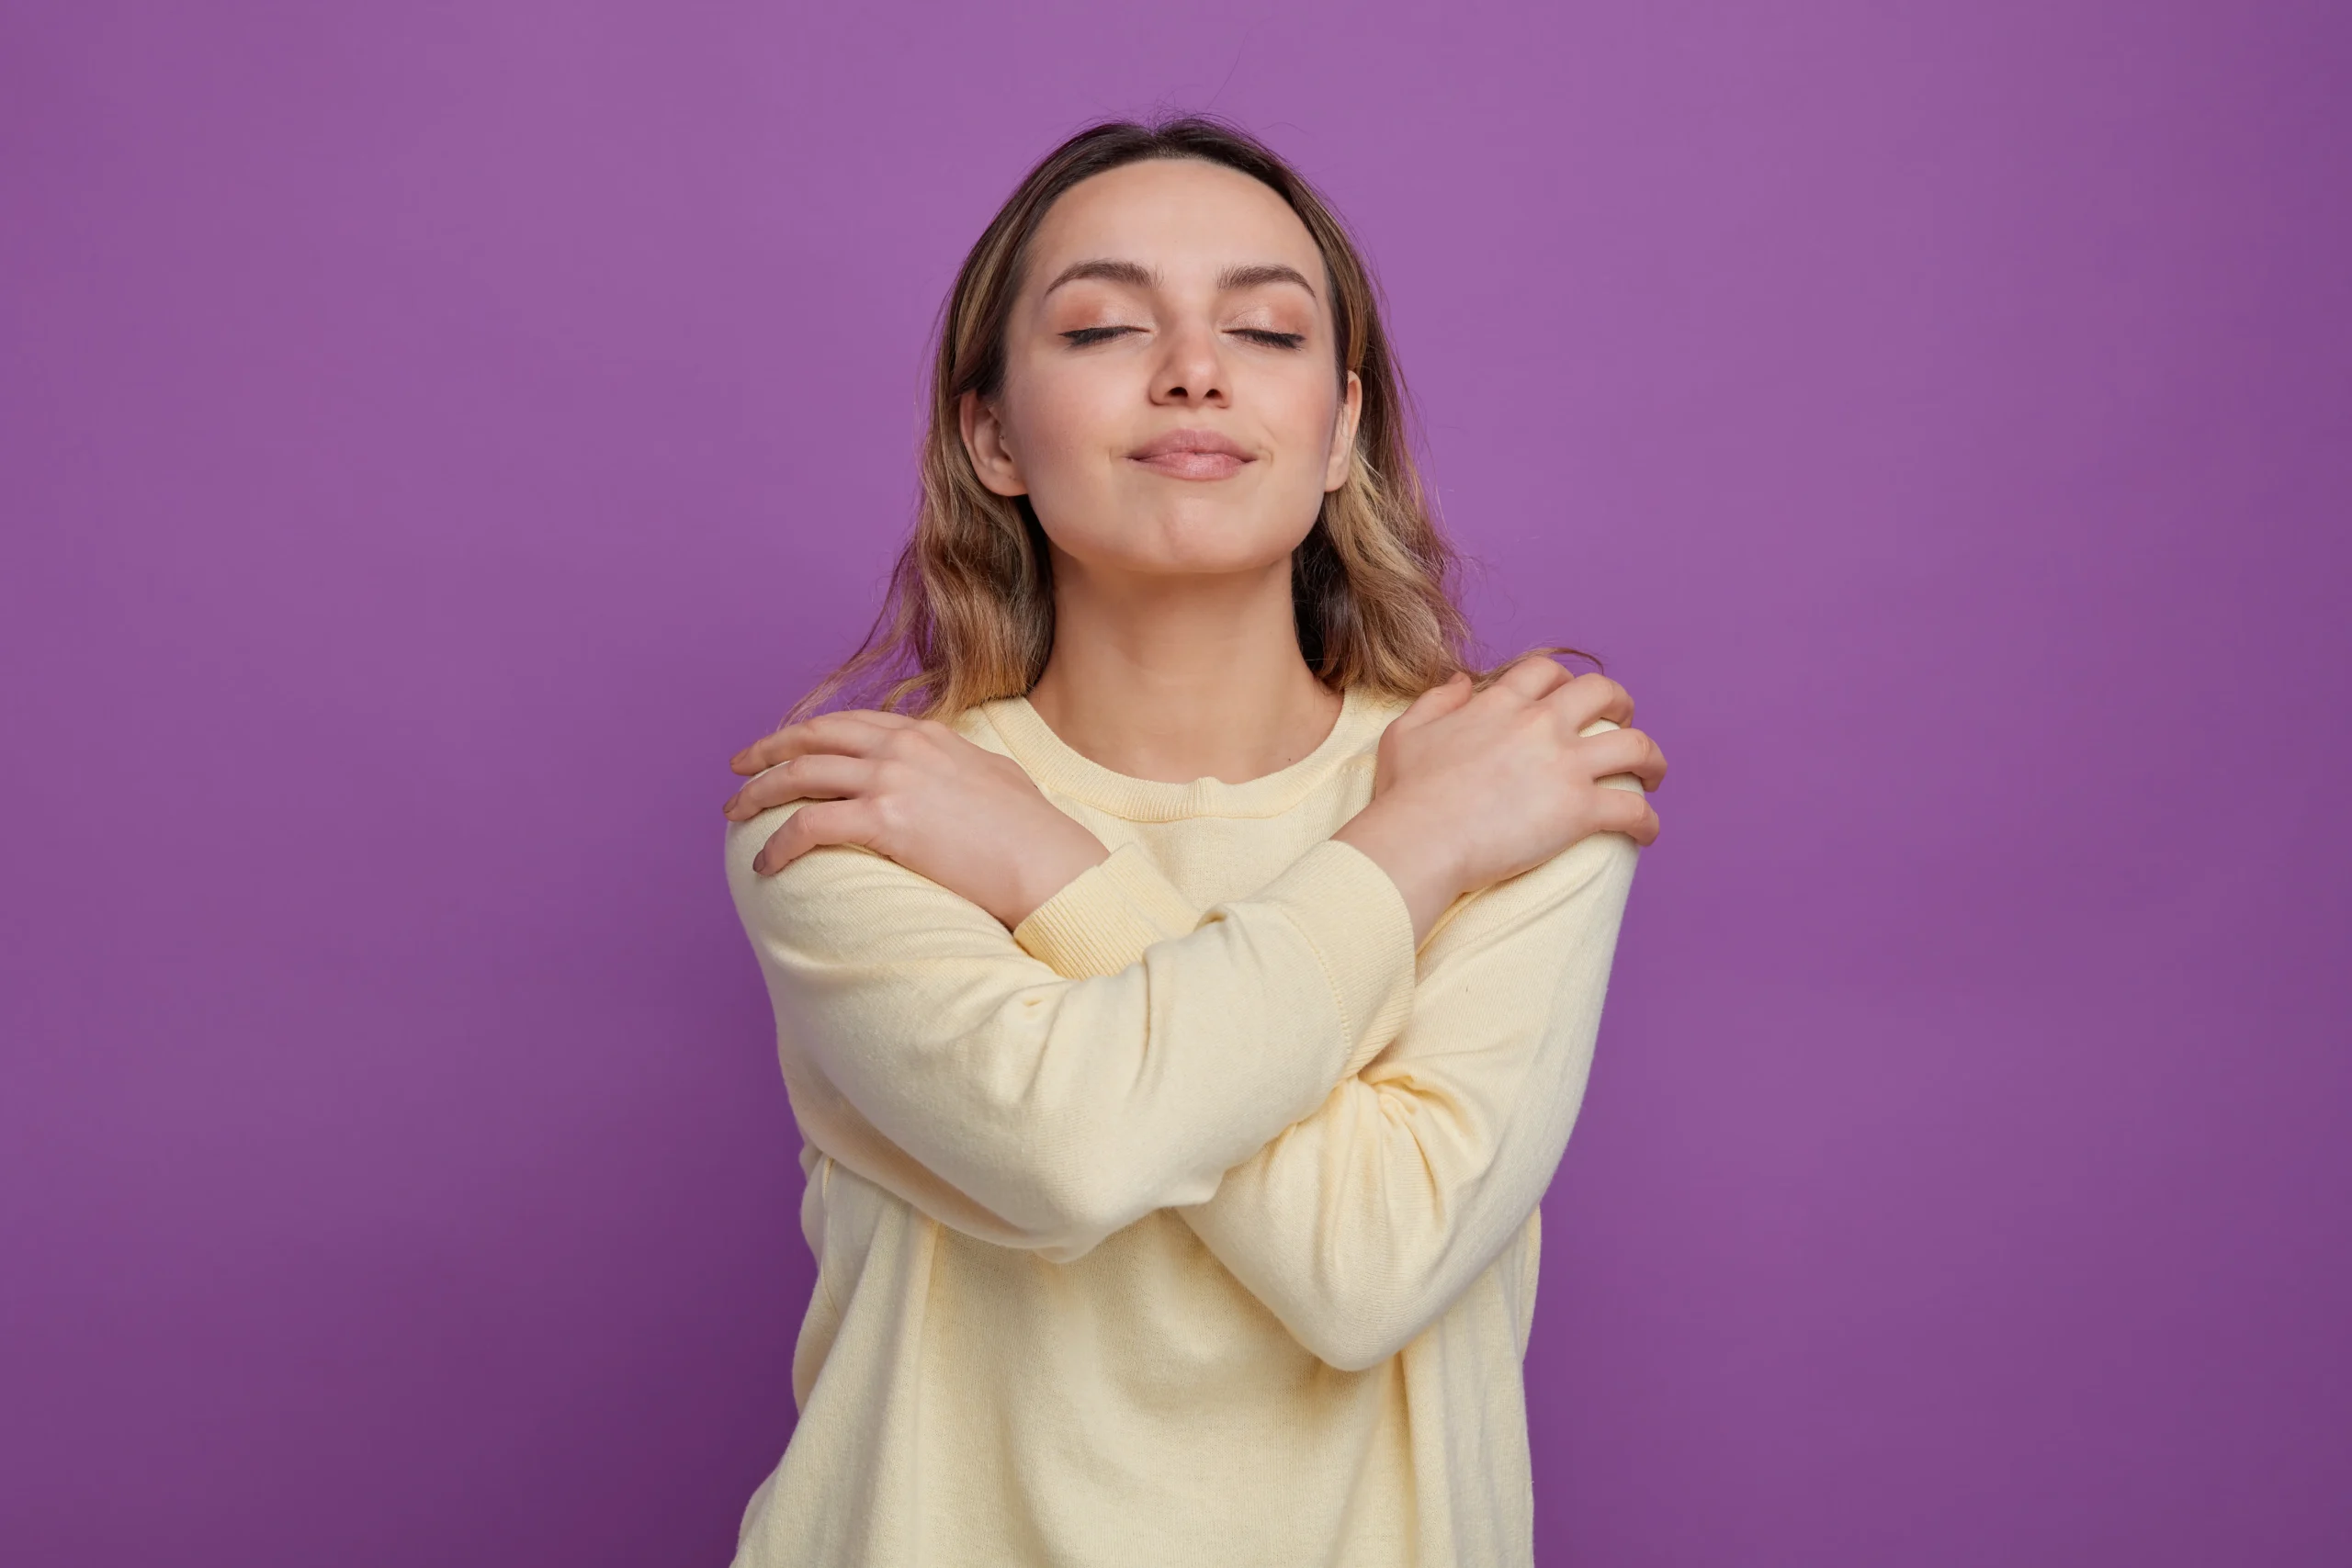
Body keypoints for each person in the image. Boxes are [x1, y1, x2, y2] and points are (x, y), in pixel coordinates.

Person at [715, 115, 1667, 1568]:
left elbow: (1369, 1266)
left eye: (1266, 329)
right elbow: (1071, 1145)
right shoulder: (860, 807)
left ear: (1343, 430)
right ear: (991, 435)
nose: (1193, 368)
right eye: (1102, 324)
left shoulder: (1515, 789)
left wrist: (1051, 874)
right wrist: (1416, 848)